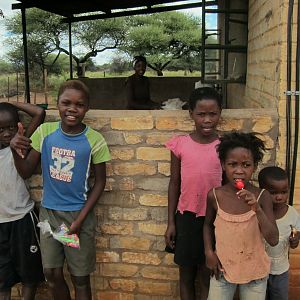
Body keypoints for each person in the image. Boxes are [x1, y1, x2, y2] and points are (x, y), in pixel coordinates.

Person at [10, 80, 111, 300]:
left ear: (87, 108)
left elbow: (100, 182)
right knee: (51, 273)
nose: (72, 109)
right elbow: (26, 171)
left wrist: (79, 221)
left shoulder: (94, 140)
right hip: (50, 217)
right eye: (66, 103)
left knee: (80, 277)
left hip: (77, 218)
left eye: (79, 104)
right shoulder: (45, 132)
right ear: (57, 104)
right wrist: (16, 151)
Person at [203, 131, 279, 300]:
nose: (239, 171)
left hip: (255, 273)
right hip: (222, 269)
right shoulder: (215, 195)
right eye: (232, 164)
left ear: (255, 166)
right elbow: (207, 225)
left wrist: (257, 209)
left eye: (246, 165)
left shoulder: (262, 196)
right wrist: (209, 252)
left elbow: (273, 239)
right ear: (223, 165)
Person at [164, 87, 223, 300]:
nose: (207, 120)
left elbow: (227, 185)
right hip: (186, 218)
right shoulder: (180, 144)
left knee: (209, 275)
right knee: (186, 275)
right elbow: (174, 183)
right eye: (201, 114)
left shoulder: (224, 146)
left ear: (220, 113)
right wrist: (171, 222)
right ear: (191, 114)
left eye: (212, 114)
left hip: (215, 219)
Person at [0, 102, 45, 300]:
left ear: (18, 125)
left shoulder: (21, 145)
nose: (7, 133)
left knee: (29, 274)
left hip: (22, 220)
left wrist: (9, 102)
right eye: (1, 129)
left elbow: (39, 113)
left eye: (11, 127)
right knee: (2, 278)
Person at [258, 166, 300, 300]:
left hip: (281, 271)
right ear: (262, 191)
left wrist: (295, 240)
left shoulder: (292, 213)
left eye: (284, 192)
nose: (279, 197)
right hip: (258, 270)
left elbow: (296, 234)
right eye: (273, 192)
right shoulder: (258, 213)